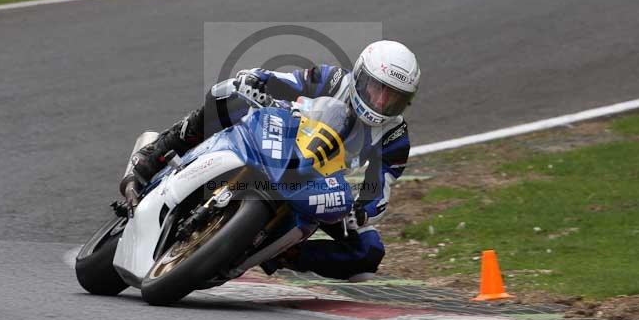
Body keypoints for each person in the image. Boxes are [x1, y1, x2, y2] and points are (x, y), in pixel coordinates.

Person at [118, 41, 420, 281]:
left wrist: (361, 212)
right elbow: (283, 81)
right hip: (283, 138)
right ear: (360, 77)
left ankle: (281, 253)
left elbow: (380, 189)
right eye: (377, 89)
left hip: (321, 181)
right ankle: (152, 157)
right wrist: (255, 81)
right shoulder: (333, 80)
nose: (380, 102)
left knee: (368, 253)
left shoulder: (395, 137)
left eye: (393, 97)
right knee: (228, 96)